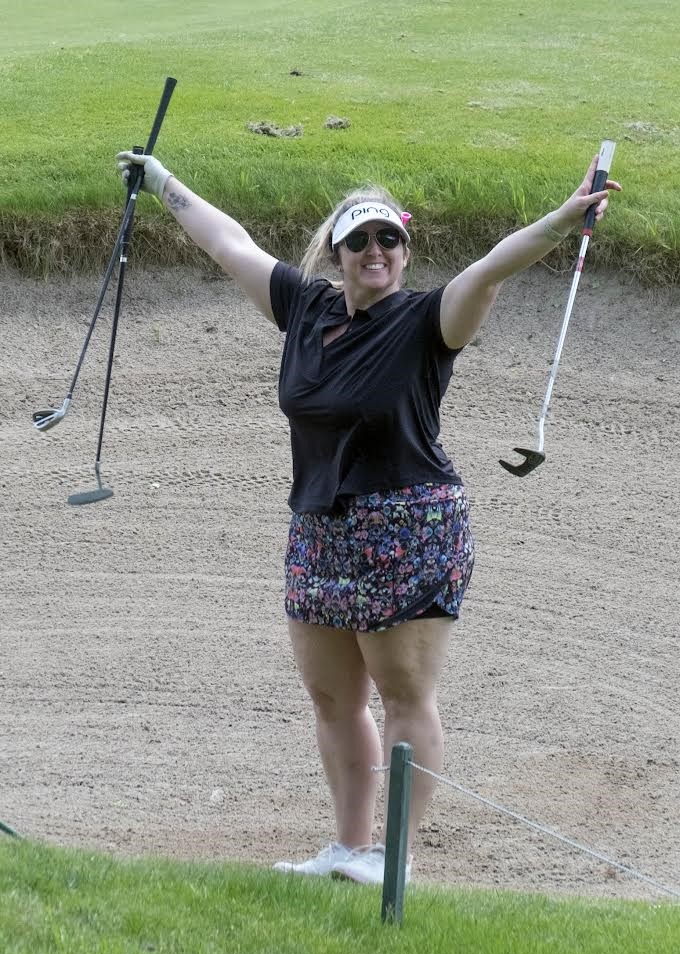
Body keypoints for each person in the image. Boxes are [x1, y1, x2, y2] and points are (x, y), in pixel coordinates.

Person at [116, 148, 620, 885]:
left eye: (389, 239)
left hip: (410, 524)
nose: (375, 252)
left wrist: (564, 218)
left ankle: (393, 861)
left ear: (404, 251)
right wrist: (161, 182)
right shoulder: (304, 306)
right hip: (319, 526)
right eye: (360, 241)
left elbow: (489, 269)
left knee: (403, 694)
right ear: (337, 253)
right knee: (333, 698)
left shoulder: (427, 320)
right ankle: (349, 848)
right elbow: (229, 244)